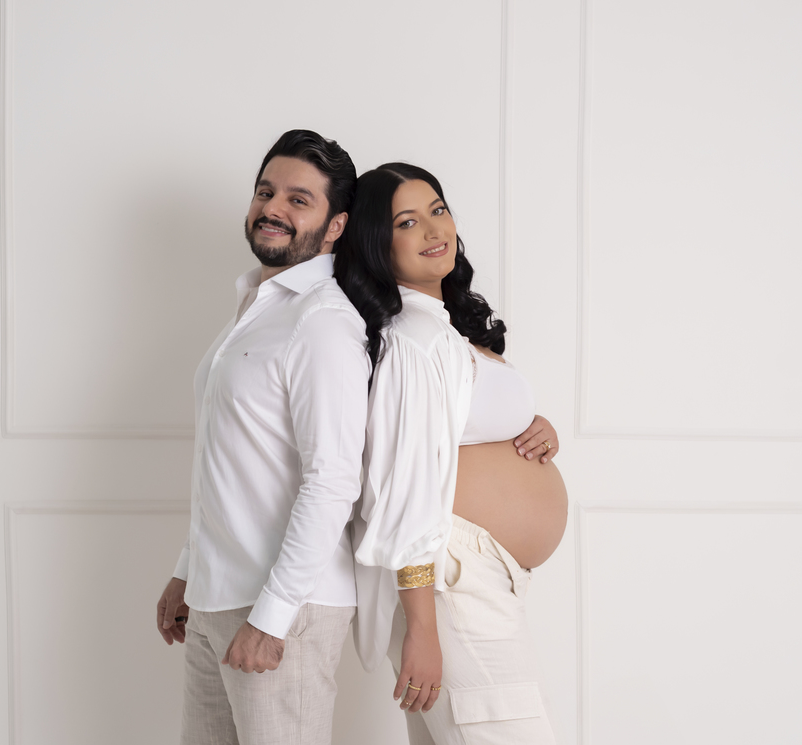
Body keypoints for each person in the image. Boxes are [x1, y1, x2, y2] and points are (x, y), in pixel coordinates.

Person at [334, 163, 569, 744]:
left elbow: (467, 420)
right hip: (447, 583)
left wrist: (535, 428)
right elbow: (404, 487)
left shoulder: (444, 330)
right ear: (377, 243)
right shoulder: (410, 341)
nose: (433, 228)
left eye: (437, 210)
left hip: (472, 580)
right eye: (407, 222)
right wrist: (423, 627)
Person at [155, 129, 369, 745]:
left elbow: (332, 482)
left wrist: (272, 618)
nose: (273, 208)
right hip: (218, 596)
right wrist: (190, 570)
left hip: (282, 607)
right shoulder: (258, 306)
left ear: (335, 226)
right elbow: (230, 460)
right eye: (265, 191)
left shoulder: (322, 321)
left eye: (299, 199)